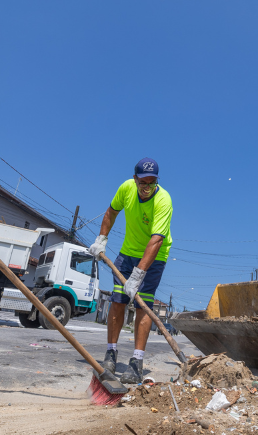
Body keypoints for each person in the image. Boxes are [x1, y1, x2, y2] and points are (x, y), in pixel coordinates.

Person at [88, 158, 173, 384]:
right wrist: (101, 239)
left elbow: (156, 240)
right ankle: (111, 354)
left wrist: (138, 275)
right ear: (134, 179)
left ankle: (136, 362)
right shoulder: (126, 188)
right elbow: (111, 212)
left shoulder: (163, 200)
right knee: (118, 299)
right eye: (142, 182)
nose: (147, 188)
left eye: (152, 183)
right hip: (127, 254)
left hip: (154, 256)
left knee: (143, 304)